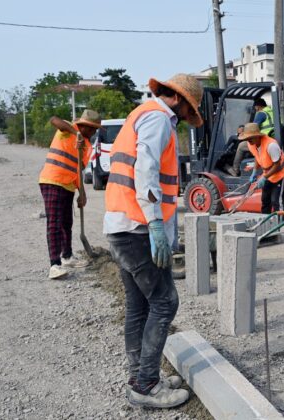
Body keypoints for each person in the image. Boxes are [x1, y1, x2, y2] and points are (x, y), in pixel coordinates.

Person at [103, 74, 203, 409]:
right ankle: (145, 385)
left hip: (121, 224)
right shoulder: (158, 119)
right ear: (180, 99)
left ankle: (141, 375)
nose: (188, 117)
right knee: (164, 302)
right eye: (190, 109)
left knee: (139, 304)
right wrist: (156, 222)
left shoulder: (139, 114)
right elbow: (145, 168)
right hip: (138, 227)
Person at [38, 109, 101, 280]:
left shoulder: (87, 145)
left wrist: (82, 193)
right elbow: (53, 118)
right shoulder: (67, 129)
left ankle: (67, 257)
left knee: (67, 222)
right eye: (93, 128)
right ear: (85, 126)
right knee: (54, 223)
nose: (94, 132)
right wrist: (76, 134)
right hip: (52, 180)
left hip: (68, 186)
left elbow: (78, 170)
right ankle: (54, 265)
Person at [238, 122, 284, 214]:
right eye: (247, 139)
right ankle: (266, 221)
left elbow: (277, 165)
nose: (248, 140)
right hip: (267, 173)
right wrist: (254, 171)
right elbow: (257, 156)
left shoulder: (271, 145)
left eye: (250, 138)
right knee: (265, 200)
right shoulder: (251, 144)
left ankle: (281, 222)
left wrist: (264, 177)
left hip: (278, 173)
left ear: (257, 136)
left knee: (275, 200)